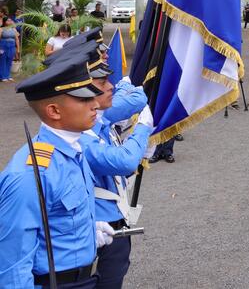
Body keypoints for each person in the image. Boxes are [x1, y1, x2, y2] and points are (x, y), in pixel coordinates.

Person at [0, 56, 115, 288]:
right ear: (54, 111)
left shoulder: (75, 149)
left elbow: (57, 221)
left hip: (84, 278)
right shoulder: (31, 175)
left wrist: (87, 233)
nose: (95, 104)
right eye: (85, 99)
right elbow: (12, 266)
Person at [76, 42, 153, 289]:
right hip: (101, 229)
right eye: (101, 83)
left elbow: (136, 95)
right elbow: (125, 161)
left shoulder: (99, 121)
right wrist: (142, 128)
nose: (110, 86)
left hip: (113, 222)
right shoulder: (83, 134)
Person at [0, 16, 20, 81]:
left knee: (9, 61)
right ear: (4, 22)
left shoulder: (14, 29)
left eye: (10, 20)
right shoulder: (1, 29)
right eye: (8, 20)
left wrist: (18, 49)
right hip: (3, 46)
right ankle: (3, 76)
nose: (10, 21)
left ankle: (8, 75)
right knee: (3, 61)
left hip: (12, 46)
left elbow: (17, 39)